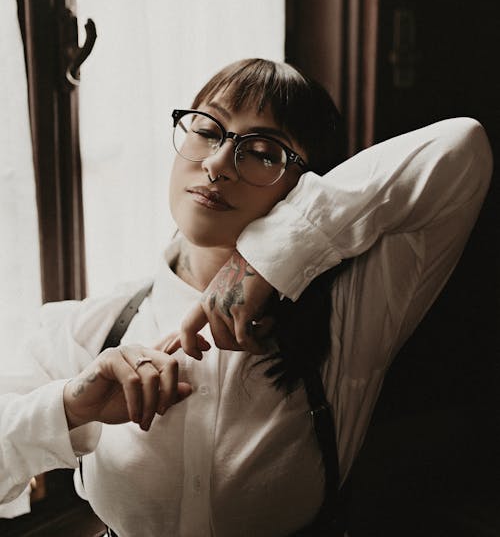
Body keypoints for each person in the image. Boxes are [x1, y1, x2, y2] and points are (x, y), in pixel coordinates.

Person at [0, 58, 492, 537]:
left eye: (262, 151)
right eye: (208, 131)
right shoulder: (89, 327)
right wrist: (69, 407)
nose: (217, 164)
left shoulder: (353, 315)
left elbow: (462, 145)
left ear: (308, 186)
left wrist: (263, 260)